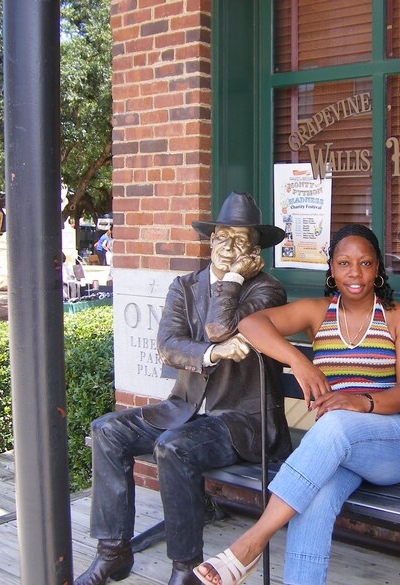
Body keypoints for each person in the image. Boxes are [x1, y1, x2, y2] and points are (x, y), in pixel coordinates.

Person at [75, 192, 292, 585]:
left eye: (242, 241)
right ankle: (113, 553)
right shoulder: (184, 287)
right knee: (107, 430)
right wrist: (213, 354)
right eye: (223, 237)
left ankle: (185, 569)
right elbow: (168, 345)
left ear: (255, 251)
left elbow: (218, 327)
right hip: (184, 408)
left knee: (174, 448)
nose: (229, 248)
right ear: (210, 241)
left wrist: (234, 280)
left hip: (242, 420)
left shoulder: (267, 290)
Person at [195, 223, 400, 585]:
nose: (355, 273)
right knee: (313, 499)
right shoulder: (318, 313)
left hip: (392, 442)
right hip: (338, 449)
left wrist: (359, 402)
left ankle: (252, 542)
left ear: (378, 268)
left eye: (366, 263)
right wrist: (299, 362)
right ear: (332, 268)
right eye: (345, 263)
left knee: (333, 422)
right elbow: (251, 323)